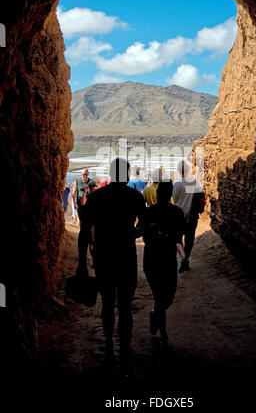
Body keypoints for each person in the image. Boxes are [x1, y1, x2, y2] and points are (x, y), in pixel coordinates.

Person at [80, 157, 146, 374]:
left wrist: (82, 262)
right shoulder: (134, 197)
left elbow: (84, 232)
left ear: (110, 174)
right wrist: (133, 232)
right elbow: (143, 226)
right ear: (126, 175)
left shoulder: (97, 197)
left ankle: (109, 346)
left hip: (103, 256)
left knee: (108, 302)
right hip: (126, 255)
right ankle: (125, 355)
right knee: (125, 307)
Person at [141, 180, 186, 346]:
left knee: (168, 298)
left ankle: (154, 314)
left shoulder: (176, 213)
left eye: (166, 192)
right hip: (153, 259)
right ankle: (164, 333)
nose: (163, 194)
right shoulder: (150, 212)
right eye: (162, 191)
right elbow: (141, 233)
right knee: (161, 297)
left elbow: (177, 239)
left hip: (167, 260)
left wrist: (183, 257)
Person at [173, 160, 203, 273]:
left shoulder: (177, 184)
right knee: (189, 240)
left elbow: (175, 200)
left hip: (179, 216)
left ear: (178, 171)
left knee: (178, 239)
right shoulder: (194, 183)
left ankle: (182, 258)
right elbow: (200, 196)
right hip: (192, 216)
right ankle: (186, 259)